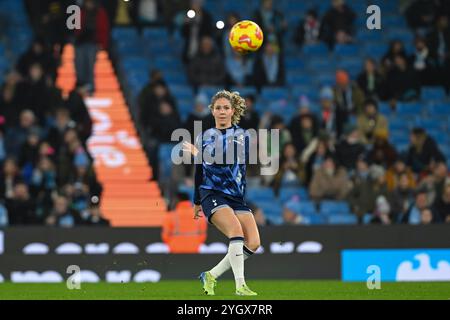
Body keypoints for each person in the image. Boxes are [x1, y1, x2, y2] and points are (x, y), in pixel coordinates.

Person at [185, 90, 259, 296]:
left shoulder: (242, 136)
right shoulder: (204, 136)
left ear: (233, 111)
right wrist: (197, 200)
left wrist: (198, 155)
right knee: (236, 231)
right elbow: (200, 171)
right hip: (212, 193)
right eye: (218, 108)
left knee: (253, 242)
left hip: (235, 195)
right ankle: (240, 286)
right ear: (212, 111)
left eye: (226, 108)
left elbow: (223, 161)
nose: (222, 111)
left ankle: (210, 275)